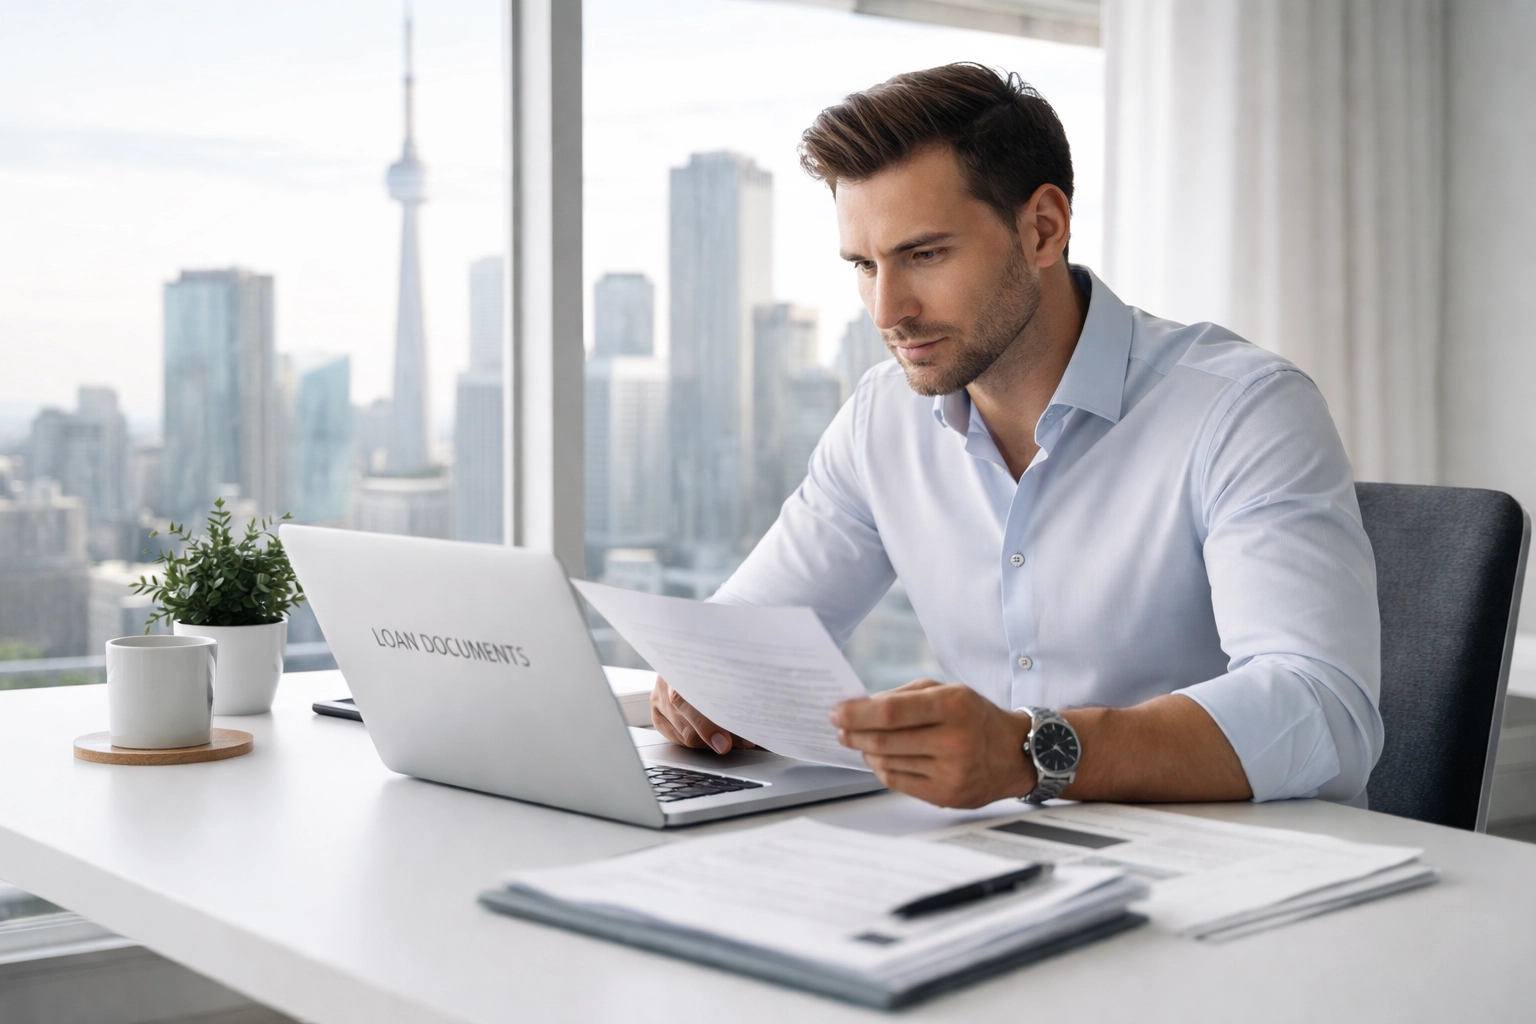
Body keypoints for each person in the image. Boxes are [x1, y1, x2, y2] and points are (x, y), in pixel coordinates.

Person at [651, 63, 1382, 809]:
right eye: (865, 265)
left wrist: (1032, 752)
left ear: (1043, 229)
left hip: (1229, 860)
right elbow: (742, 640)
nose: (887, 310)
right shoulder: (881, 421)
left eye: (924, 254)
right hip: (992, 849)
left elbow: (1322, 710)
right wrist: (701, 682)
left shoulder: (1243, 410)